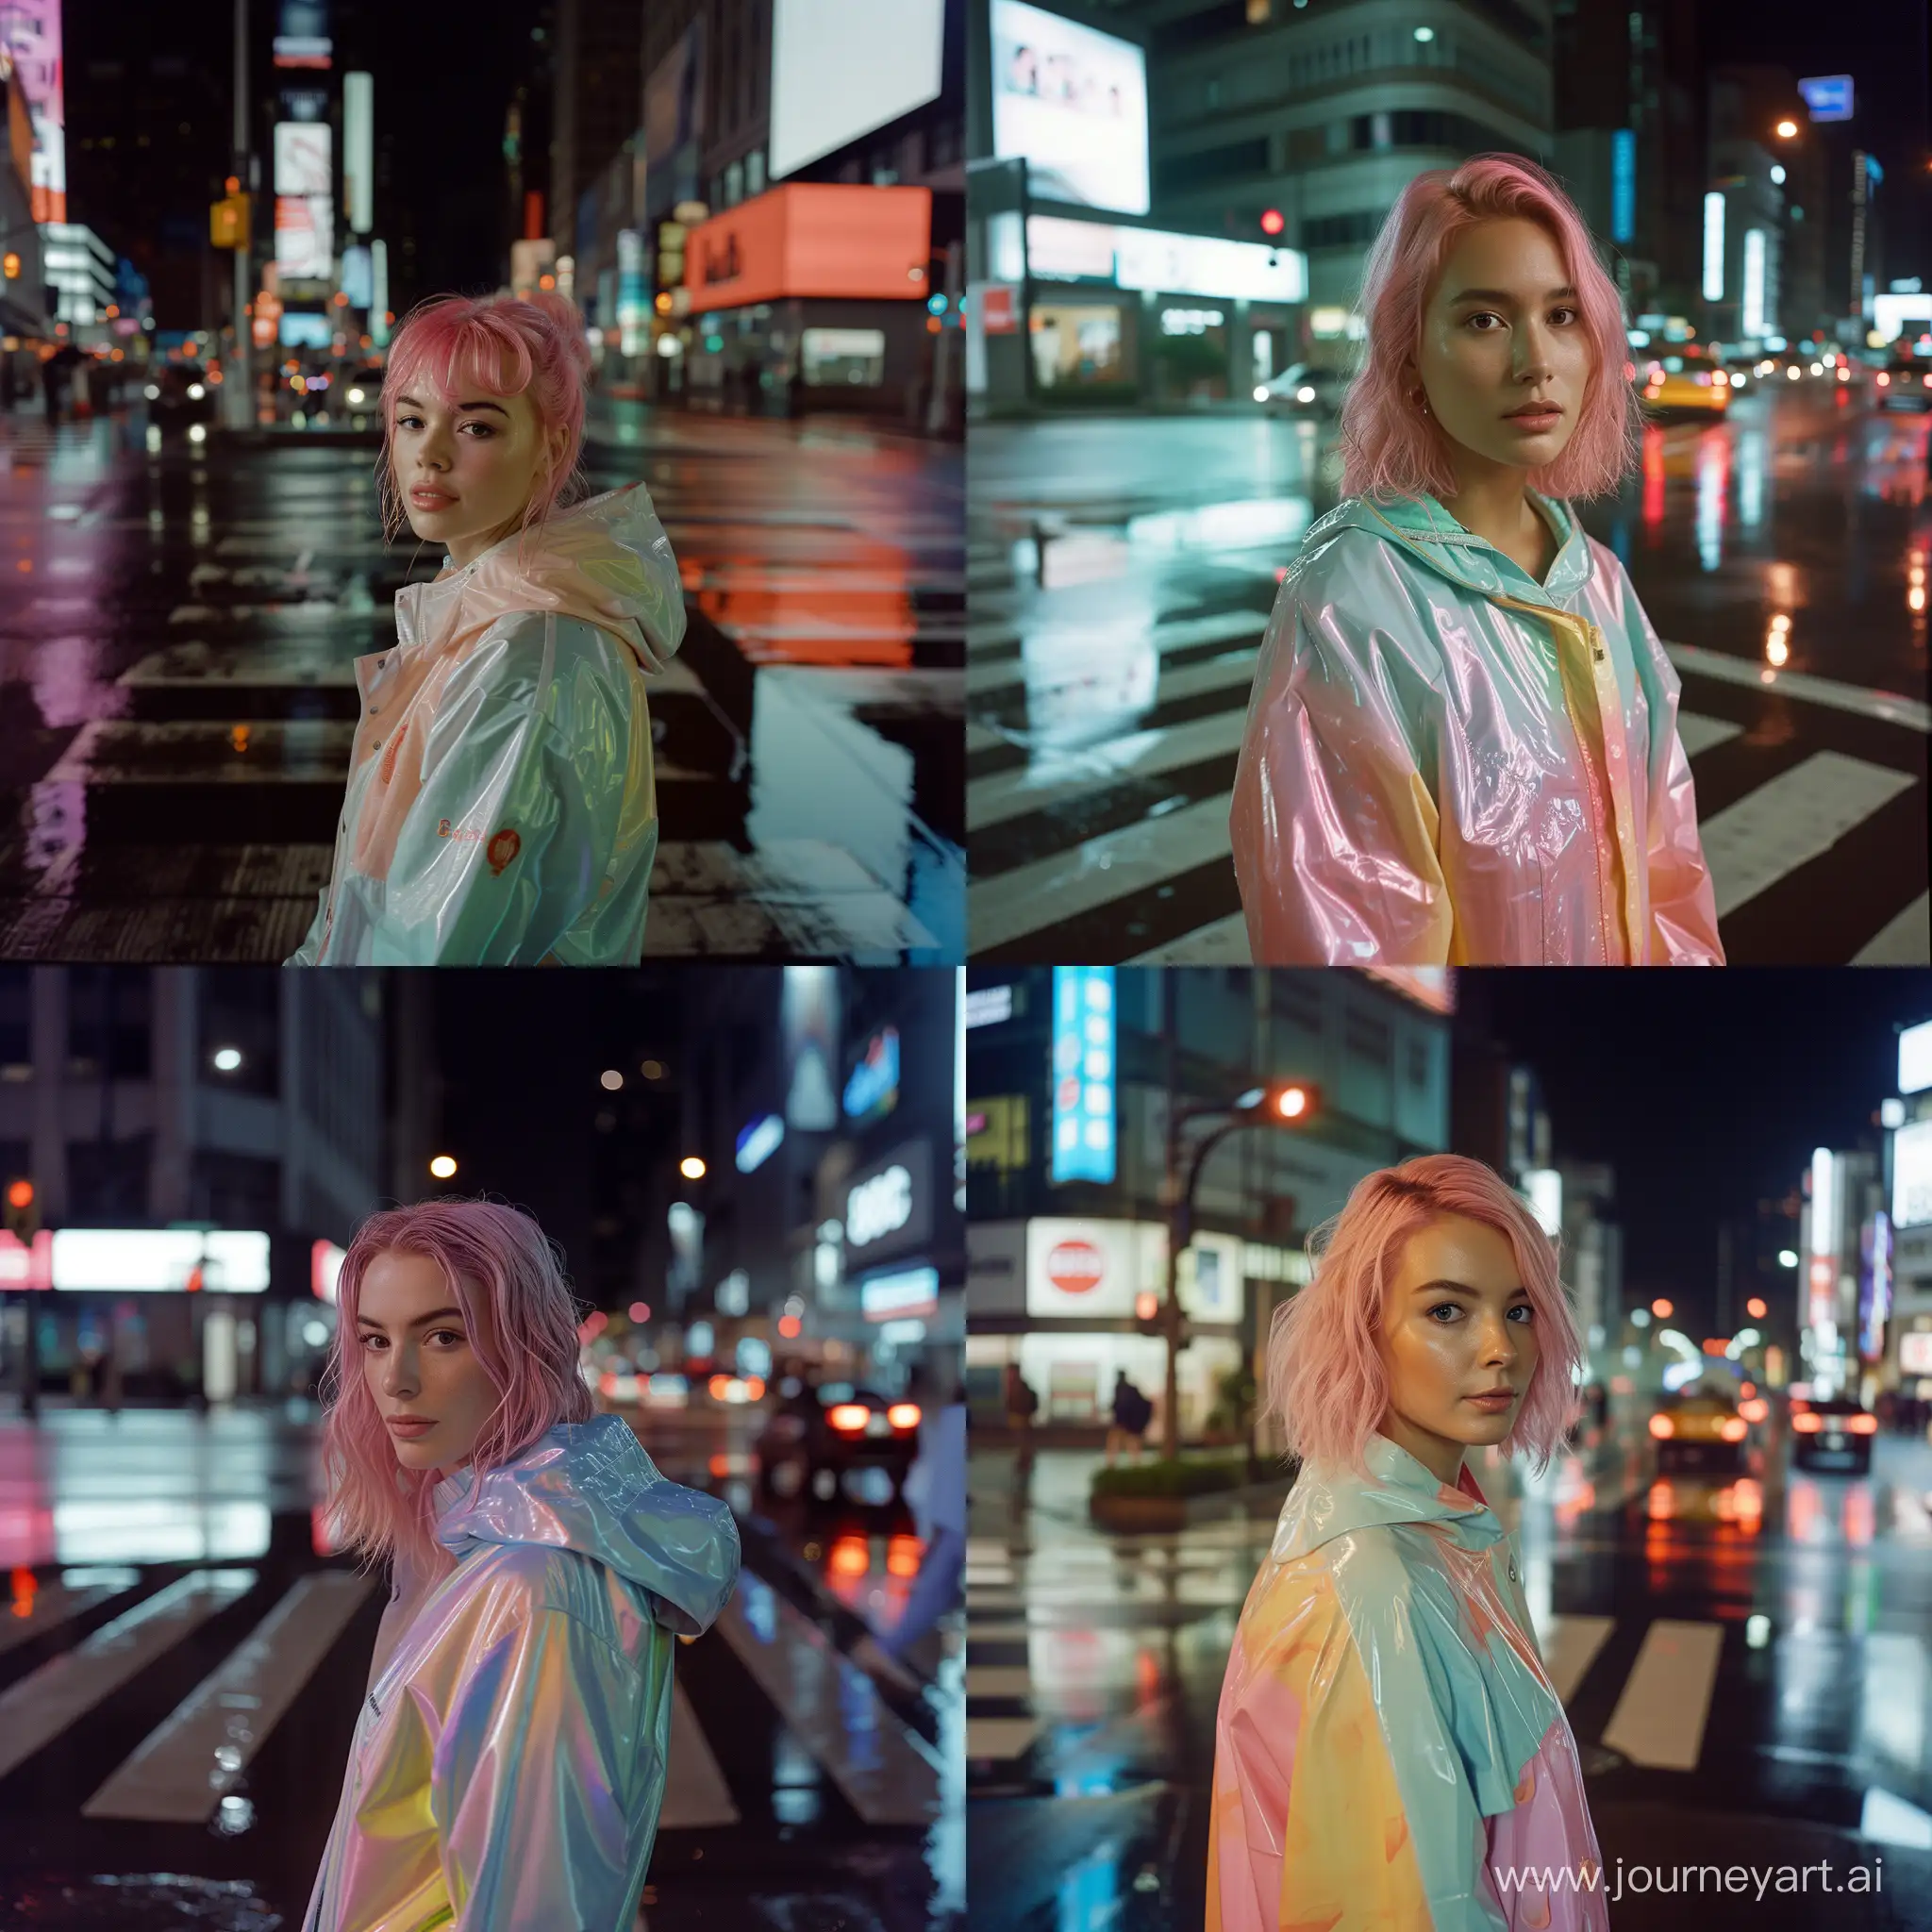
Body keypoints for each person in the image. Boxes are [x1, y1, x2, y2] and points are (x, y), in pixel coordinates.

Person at [1231, 156, 1723, 967]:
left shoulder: (1596, 578)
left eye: (1562, 315)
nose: (1537, 360)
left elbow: (1671, 872)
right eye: (1485, 320)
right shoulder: (1350, 606)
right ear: (1410, 354)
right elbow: (1356, 951)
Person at [304, 1199, 740, 1932]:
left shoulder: (530, 1589)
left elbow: (539, 1910)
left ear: (525, 1347)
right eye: (375, 1341)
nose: (395, 1380)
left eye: (444, 1336)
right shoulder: (472, 1534)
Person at [1208, 1154, 1604, 1931]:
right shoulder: (1379, 1587)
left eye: (1519, 1310)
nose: (1501, 1348)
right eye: (1447, 1311)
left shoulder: (1428, 1533)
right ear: (1364, 1331)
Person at [288, 290, 686, 965]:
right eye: (412, 421)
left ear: (549, 444)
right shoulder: (483, 610)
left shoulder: (524, 657)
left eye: (476, 427)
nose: (429, 454)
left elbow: (436, 944)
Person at [1107, 1369, 1152, 1465]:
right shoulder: (1128, 1389)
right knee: (1128, 1443)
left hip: (1126, 1422)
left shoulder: (1122, 1389)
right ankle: (1133, 1463)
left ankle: (1114, 1463)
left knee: (1119, 1442)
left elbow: (1120, 1406)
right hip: (1129, 1422)